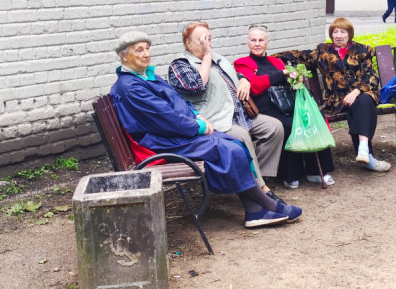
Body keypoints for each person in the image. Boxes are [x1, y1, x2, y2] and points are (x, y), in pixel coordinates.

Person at [109, 30, 301, 228]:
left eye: (147, 49)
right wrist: (198, 126)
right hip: (160, 142)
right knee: (230, 148)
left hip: (173, 135)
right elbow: (164, 118)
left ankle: (256, 211)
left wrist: (197, 114)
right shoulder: (130, 87)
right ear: (124, 56)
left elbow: (179, 102)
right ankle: (265, 206)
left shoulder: (147, 78)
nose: (146, 54)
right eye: (139, 50)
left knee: (233, 144)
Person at [167, 21, 286, 203]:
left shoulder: (218, 58)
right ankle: (262, 191)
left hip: (239, 114)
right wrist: (206, 57)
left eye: (209, 38)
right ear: (188, 43)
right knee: (243, 137)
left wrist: (244, 79)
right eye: (202, 39)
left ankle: (253, 180)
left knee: (274, 128)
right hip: (215, 120)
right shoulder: (180, 65)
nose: (207, 42)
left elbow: (234, 75)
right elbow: (196, 87)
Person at [279, 18, 391, 172]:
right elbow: (299, 56)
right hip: (337, 101)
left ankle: (364, 150)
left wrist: (356, 92)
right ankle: (368, 157)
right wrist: (270, 58)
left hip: (362, 94)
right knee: (359, 104)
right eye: (335, 32)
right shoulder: (323, 51)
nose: (338, 35)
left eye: (342, 31)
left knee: (363, 101)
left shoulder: (362, 50)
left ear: (349, 34)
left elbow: (371, 77)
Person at [234, 25, 336, 189]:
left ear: (267, 42)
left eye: (261, 40)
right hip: (264, 109)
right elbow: (255, 86)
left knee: (315, 119)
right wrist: (281, 75)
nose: (257, 44)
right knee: (289, 125)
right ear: (248, 43)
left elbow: (289, 82)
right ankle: (290, 175)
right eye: (253, 40)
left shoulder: (276, 61)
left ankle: (316, 171)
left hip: (287, 104)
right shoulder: (242, 63)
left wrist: (296, 79)